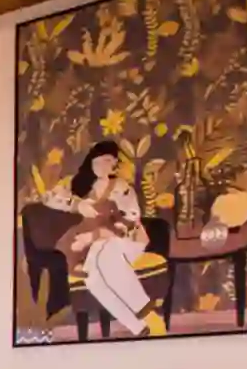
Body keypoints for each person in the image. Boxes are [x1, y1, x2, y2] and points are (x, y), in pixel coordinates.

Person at [48, 140, 166, 336]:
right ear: (92, 161)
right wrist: (77, 205)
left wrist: (94, 235)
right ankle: (138, 327)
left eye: (111, 161)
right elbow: (49, 198)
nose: (107, 165)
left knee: (105, 251)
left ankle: (145, 311)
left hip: (128, 241)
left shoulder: (121, 187)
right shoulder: (79, 186)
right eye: (102, 160)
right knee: (93, 279)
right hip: (96, 244)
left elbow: (130, 221)